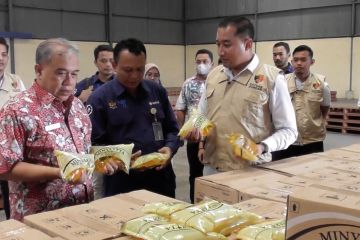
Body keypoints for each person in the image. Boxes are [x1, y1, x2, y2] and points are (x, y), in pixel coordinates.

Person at [0, 38, 94, 221]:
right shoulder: (17, 110)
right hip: (40, 220)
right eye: (61, 73)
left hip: (82, 213)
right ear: (38, 70)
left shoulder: (77, 107)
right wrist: (59, 172)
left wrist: (108, 158)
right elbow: (5, 167)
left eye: (74, 74)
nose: (69, 82)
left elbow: (83, 151)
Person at [198, 16, 298, 172]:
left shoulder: (271, 79)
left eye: (227, 44)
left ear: (248, 44)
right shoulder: (213, 75)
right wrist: (196, 130)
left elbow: (289, 131)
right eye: (218, 44)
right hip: (213, 168)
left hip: (250, 171)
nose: (220, 52)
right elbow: (201, 115)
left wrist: (261, 147)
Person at [87, 38, 180, 198]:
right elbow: (93, 145)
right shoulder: (100, 99)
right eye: (128, 70)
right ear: (115, 66)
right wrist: (116, 158)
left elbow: (172, 129)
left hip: (160, 180)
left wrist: (170, 148)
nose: (135, 76)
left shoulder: (156, 91)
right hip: (122, 183)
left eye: (140, 69)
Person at [272, 45, 330, 160]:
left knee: (312, 174)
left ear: (312, 62)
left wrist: (320, 123)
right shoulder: (282, 82)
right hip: (285, 141)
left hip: (312, 141)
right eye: (296, 60)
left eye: (303, 60)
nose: (299, 63)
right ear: (292, 61)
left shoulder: (321, 84)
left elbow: (325, 107)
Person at [175, 49, 213, 203]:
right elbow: (180, 108)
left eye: (205, 62)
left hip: (212, 138)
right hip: (193, 138)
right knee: (195, 175)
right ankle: (194, 203)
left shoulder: (216, 82)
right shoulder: (188, 83)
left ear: (211, 63)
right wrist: (181, 132)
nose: (201, 65)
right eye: (198, 62)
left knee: (212, 174)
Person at [0, 37, 26, 219]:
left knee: (10, 192)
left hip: (9, 150)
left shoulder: (15, 82)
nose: (1, 59)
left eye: (4, 55)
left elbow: (24, 111)